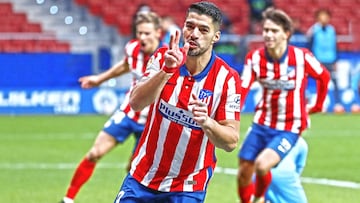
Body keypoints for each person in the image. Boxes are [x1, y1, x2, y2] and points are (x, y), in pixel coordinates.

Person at [113, 2, 241, 203]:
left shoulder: (227, 79)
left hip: (188, 187)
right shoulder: (163, 57)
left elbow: (231, 141)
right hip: (143, 176)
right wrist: (166, 71)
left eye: (203, 29)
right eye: (189, 26)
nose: (194, 34)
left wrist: (207, 122)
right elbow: (136, 103)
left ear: (216, 37)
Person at [60, 11, 164, 203]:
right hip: (128, 113)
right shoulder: (132, 48)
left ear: (158, 33)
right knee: (95, 152)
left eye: (147, 33)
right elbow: (126, 65)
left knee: (134, 171)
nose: (142, 38)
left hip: (151, 123)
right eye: (139, 33)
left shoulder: (167, 58)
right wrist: (99, 78)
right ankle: (68, 199)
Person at [236, 7, 330, 203]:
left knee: (262, 165)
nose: (268, 35)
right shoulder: (254, 58)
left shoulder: (301, 57)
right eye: (266, 30)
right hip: (262, 124)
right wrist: (233, 113)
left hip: (289, 127)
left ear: (286, 33)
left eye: (274, 30)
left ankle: (260, 197)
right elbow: (243, 88)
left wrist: (318, 104)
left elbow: (323, 76)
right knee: (245, 169)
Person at [306, 8, 344, 113]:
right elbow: (309, 46)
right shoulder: (313, 30)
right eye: (322, 16)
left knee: (335, 82)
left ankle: (337, 104)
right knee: (315, 83)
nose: (324, 18)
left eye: (326, 16)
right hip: (318, 61)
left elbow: (335, 46)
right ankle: (315, 104)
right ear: (318, 18)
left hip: (330, 60)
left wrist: (336, 60)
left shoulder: (332, 30)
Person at [264, 136, 308, 203]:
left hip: (259, 173)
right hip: (283, 175)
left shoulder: (263, 135)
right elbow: (298, 171)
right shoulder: (300, 142)